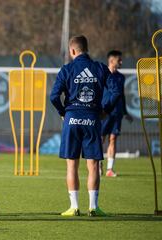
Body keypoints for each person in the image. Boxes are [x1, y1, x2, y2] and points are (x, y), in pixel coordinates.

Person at [50, 35, 120, 217]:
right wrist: (105, 109)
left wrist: (63, 112)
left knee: (72, 165)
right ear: (86, 49)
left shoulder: (67, 69)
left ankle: (74, 207)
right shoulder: (100, 68)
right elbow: (116, 91)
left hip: (72, 119)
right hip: (92, 118)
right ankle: (94, 207)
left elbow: (53, 97)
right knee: (93, 165)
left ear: (72, 51)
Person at [101, 50, 133, 177]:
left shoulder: (121, 77)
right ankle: (98, 165)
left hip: (117, 113)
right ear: (111, 60)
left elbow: (122, 96)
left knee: (113, 139)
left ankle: (109, 169)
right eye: (119, 60)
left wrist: (125, 112)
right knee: (100, 139)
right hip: (104, 112)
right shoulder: (102, 75)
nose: (121, 62)